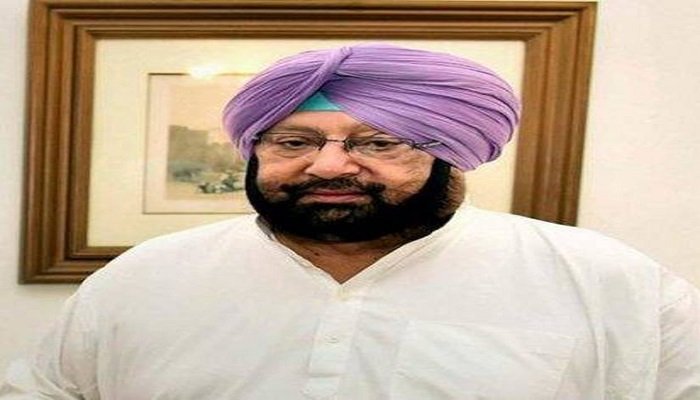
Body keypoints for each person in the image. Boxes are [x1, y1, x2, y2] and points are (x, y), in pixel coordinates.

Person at [2, 43, 699, 399]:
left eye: (377, 142)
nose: (329, 165)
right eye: (293, 141)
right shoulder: (146, 278)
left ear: (454, 153)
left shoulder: (606, 283)